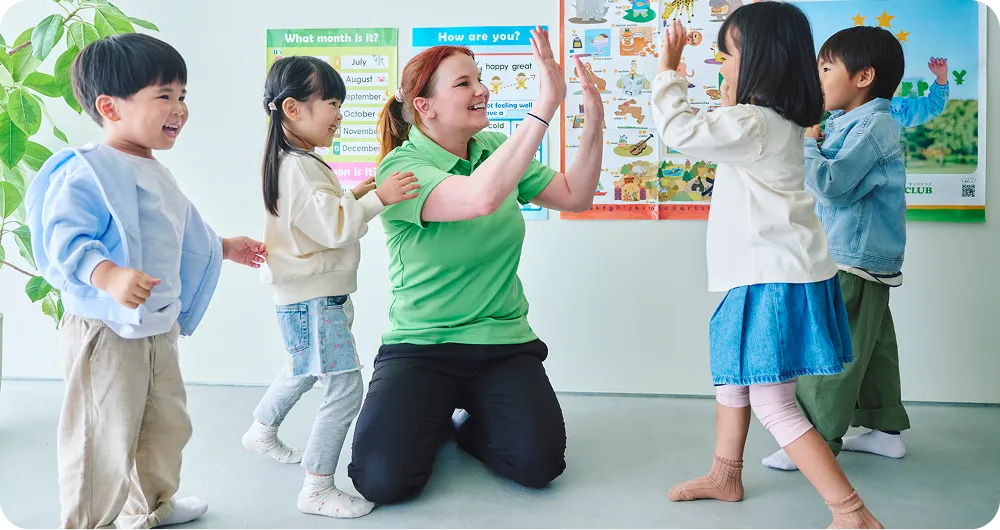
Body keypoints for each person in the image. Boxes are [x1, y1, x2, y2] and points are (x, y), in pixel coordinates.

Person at [346, 27, 604, 503]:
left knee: (539, 465)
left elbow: (576, 196)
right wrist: (544, 105)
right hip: (422, 344)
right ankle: (436, 413)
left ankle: (465, 423)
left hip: (502, 342)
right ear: (424, 106)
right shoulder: (400, 169)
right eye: (464, 83)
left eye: (480, 79)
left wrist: (594, 122)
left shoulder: (495, 148)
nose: (481, 90)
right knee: (382, 480)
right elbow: (478, 198)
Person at [651, 5, 882, 529]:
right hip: (770, 272)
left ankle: (852, 513)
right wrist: (723, 95)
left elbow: (679, 130)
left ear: (759, 60)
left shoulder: (753, 122)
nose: (722, 66)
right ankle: (725, 473)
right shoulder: (774, 121)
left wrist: (667, 71)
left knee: (774, 403)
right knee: (733, 376)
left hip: (770, 277)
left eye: (727, 55)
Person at [26, 34, 267, 529]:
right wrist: (108, 274)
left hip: (156, 326)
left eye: (182, 95)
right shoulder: (89, 171)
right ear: (110, 107)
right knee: (101, 434)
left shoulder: (154, 170)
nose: (180, 108)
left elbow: (175, 233)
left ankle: (151, 507)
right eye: (164, 95)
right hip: (106, 332)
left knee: (163, 424)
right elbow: (65, 238)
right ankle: (88, 522)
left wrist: (224, 247)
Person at [239, 56, 418, 519]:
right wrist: (379, 199)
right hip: (313, 298)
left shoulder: (294, 161)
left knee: (301, 368)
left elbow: (317, 214)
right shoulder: (299, 166)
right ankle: (317, 487)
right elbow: (332, 228)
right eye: (332, 103)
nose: (339, 114)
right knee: (344, 388)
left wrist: (358, 192)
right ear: (293, 109)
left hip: (307, 296)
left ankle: (261, 430)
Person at [761, 30, 948, 472]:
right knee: (874, 344)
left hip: (851, 258)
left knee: (830, 349)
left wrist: (807, 144)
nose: (818, 77)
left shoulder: (873, 126)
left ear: (863, 77)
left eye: (826, 68)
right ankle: (885, 431)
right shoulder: (851, 123)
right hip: (864, 259)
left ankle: (812, 441)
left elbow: (832, 186)